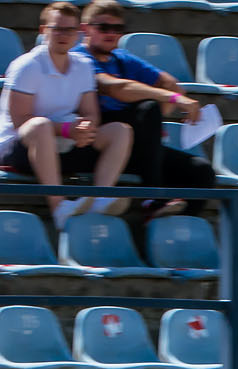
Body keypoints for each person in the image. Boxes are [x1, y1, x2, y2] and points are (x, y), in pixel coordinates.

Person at [0, 0, 131, 225]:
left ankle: (101, 198)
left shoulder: (83, 65)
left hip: (63, 142)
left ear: (78, 32)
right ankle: (58, 207)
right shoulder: (27, 65)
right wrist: (69, 130)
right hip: (14, 147)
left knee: (120, 131)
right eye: (57, 28)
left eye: (70, 29)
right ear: (44, 31)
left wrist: (85, 129)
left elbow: (92, 113)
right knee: (39, 126)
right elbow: (22, 121)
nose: (64, 35)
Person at [80, 1, 214, 230]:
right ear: (86, 29)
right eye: (103, 28)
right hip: (99, 142)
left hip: (136, 148)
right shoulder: (79, 59)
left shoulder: (121, 58)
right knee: (148, 107)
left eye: (117, 29)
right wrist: (170, 100)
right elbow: (115, 88)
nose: (111, 34)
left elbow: (169, 83)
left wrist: (156, 119)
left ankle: (171, 235)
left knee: (201, 171)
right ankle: (153, 198)